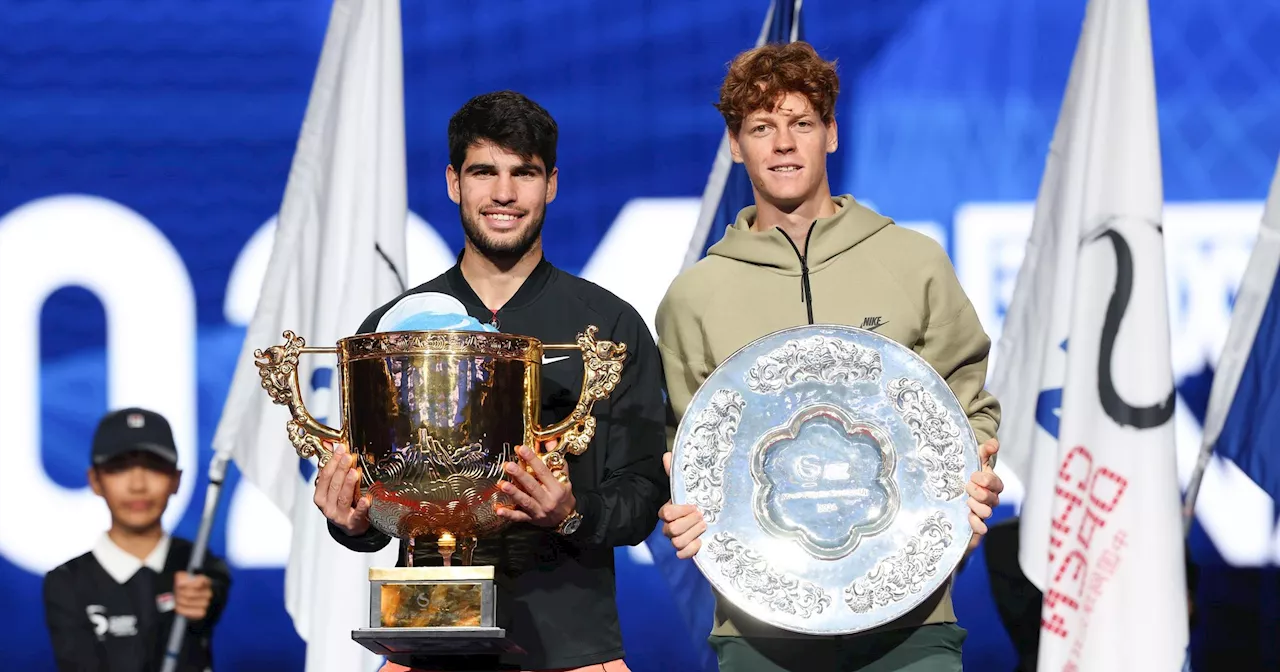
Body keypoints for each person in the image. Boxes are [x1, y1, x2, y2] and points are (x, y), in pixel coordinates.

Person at [654, 42, 1005, 671]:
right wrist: (683, 505)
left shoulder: (913, 262)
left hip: (913, 620)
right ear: (736, 145)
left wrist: (971, 476)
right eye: (762, 127)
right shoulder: (694, 297)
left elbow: (965, 404)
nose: (783, 144)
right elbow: (697, 450)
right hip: (759, 628)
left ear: (832, 134)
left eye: (801, 123)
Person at [313, 90, 669, 672]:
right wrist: (352, 522)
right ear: (454, 181)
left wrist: (571, 513)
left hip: (573, 648)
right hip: (423, 642)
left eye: (523, 173)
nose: (504, 194)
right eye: (485, 172)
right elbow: (373, 511)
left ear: (551, 183)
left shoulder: (608, 325)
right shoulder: (392, 331)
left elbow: (641, 494)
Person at [43, 407, 231, 672]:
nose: (138, 485)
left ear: (176, 480)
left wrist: (205, 595)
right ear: (95, 480)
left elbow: (213, 589)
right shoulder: (66, 581)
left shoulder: (200, 564)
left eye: (154, 467)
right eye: (119, 468)